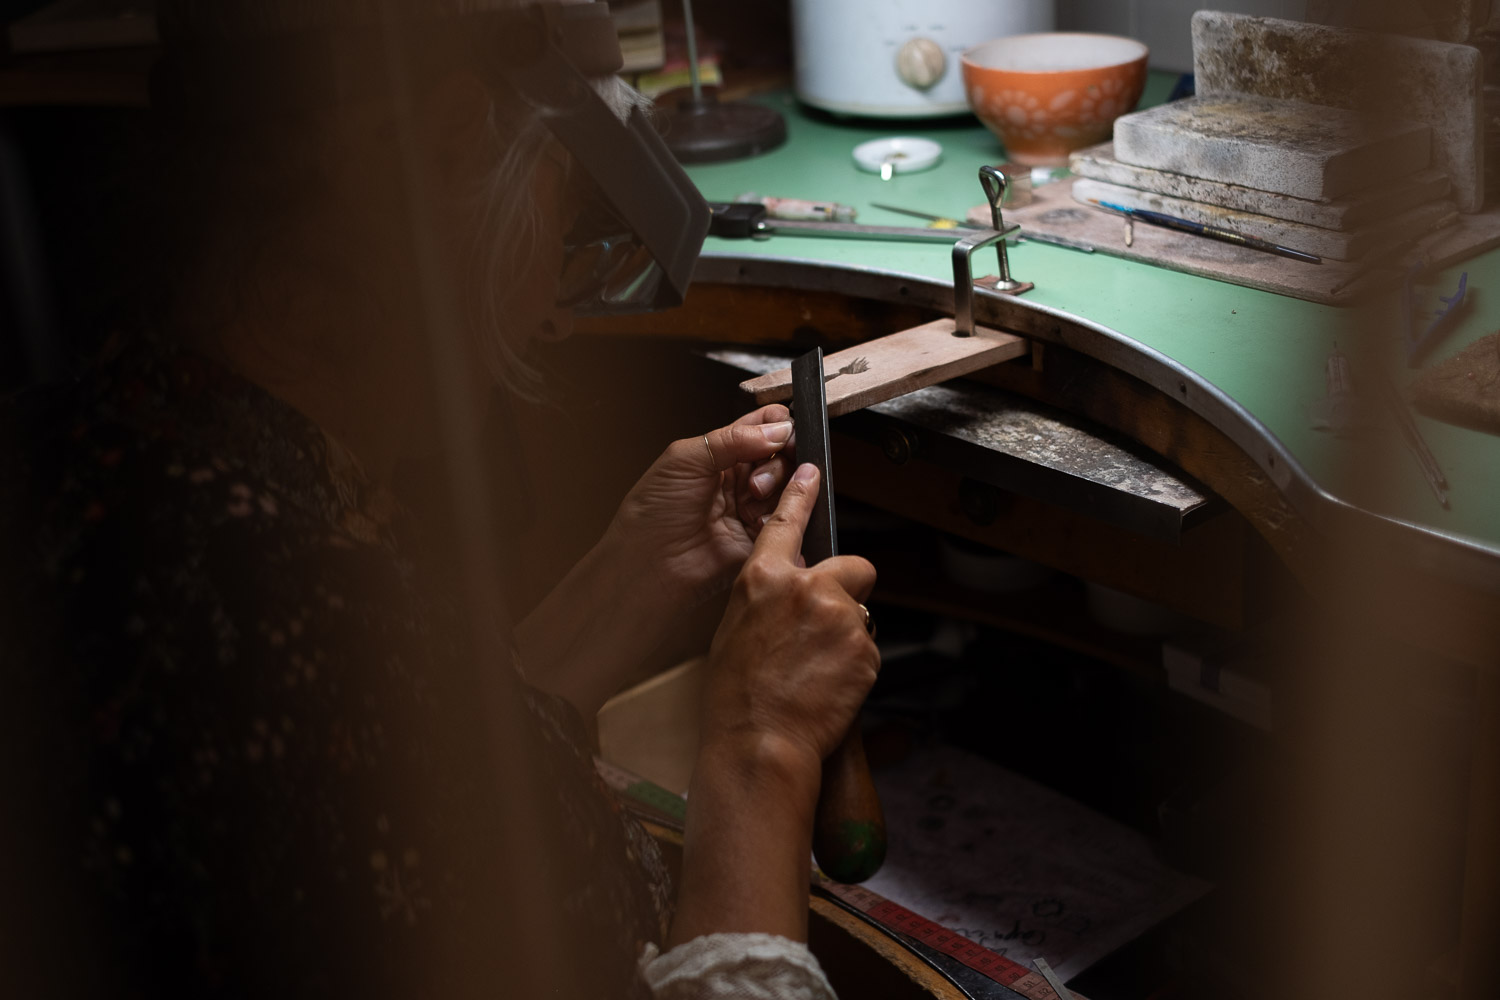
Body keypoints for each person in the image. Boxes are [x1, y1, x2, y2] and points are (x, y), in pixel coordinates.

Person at [0, 2, 879, 998]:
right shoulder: (306, 619)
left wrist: (619, 587)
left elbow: (429, 758)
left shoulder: (95, 456)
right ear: (435, 151)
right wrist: (759, 747)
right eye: (555, 186)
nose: (548, 306)